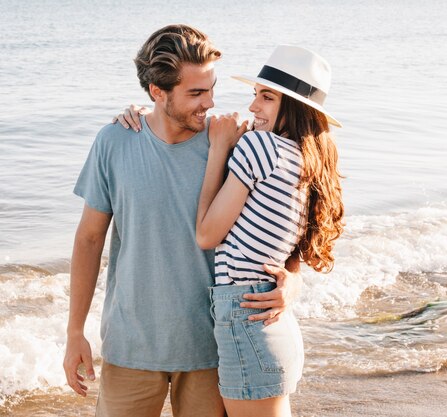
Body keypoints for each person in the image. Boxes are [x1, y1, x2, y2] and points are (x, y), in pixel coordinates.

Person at [63, 24, 301, 417]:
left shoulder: (234, 144)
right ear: (158, 92)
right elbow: (89, 240)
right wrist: (75, 333)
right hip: (131, 347)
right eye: (195, 93)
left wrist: (293, 278)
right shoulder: (115, 141)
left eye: (211, 88)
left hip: (213, 349)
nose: (209, 103)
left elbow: (288, 222)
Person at [118, 45, 345, 417]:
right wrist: (147, 113)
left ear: (294, 107)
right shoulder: (306, 158)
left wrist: (219, 150)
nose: (254, 106)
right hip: (272, 322)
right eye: (255, 94)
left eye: (267, 97)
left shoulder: (258, 146)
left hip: (246, 318)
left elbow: (207, 235)